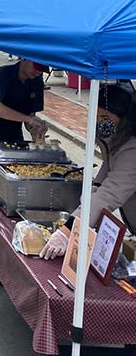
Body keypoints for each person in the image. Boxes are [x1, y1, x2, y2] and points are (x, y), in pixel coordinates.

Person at [40, 82, 136, 261]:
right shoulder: (111, 136)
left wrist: (67, 231)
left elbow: (109, 195)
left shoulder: (132, 150)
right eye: (98, 115)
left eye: (106, 116)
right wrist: (94, 187)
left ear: (123, 117)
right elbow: (109, 165)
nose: (101, 121)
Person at [0, 59, 48, 144]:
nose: (38, 72)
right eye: (36, 67)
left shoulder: (37, 83)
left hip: (15, 135)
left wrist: (35, 128)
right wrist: (29, 119)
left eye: (42, 70)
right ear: (24, 59)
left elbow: (30, 114)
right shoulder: (3, 74)